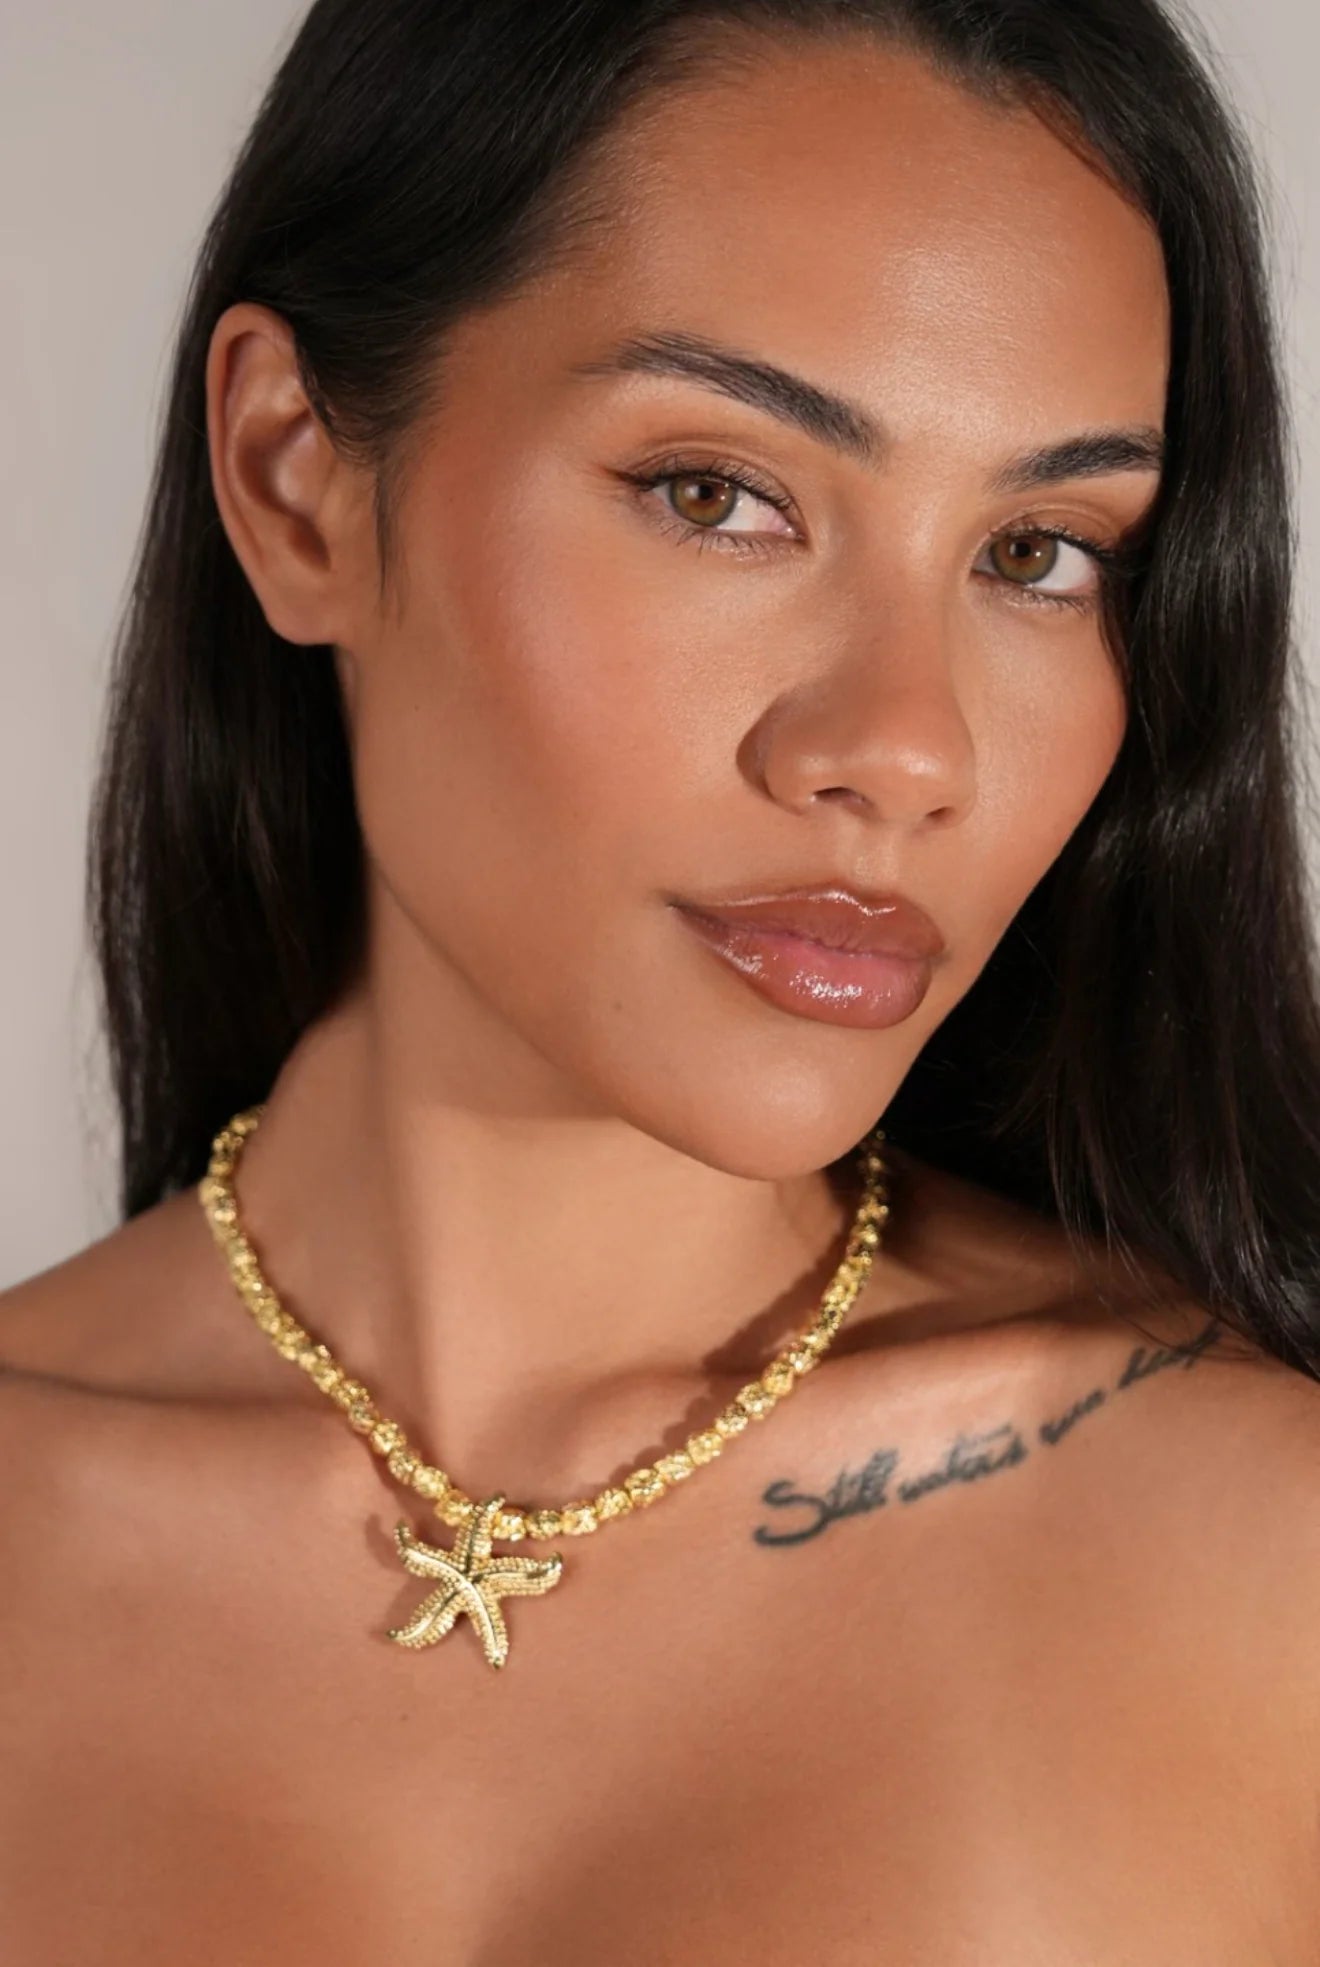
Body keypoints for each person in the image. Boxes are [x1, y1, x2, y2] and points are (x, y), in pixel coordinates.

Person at [4, 0, 1320, 1955]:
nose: (908, 747)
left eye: (1040, 552)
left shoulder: (1264, 1561)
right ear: (297, 480)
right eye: (721, 492)